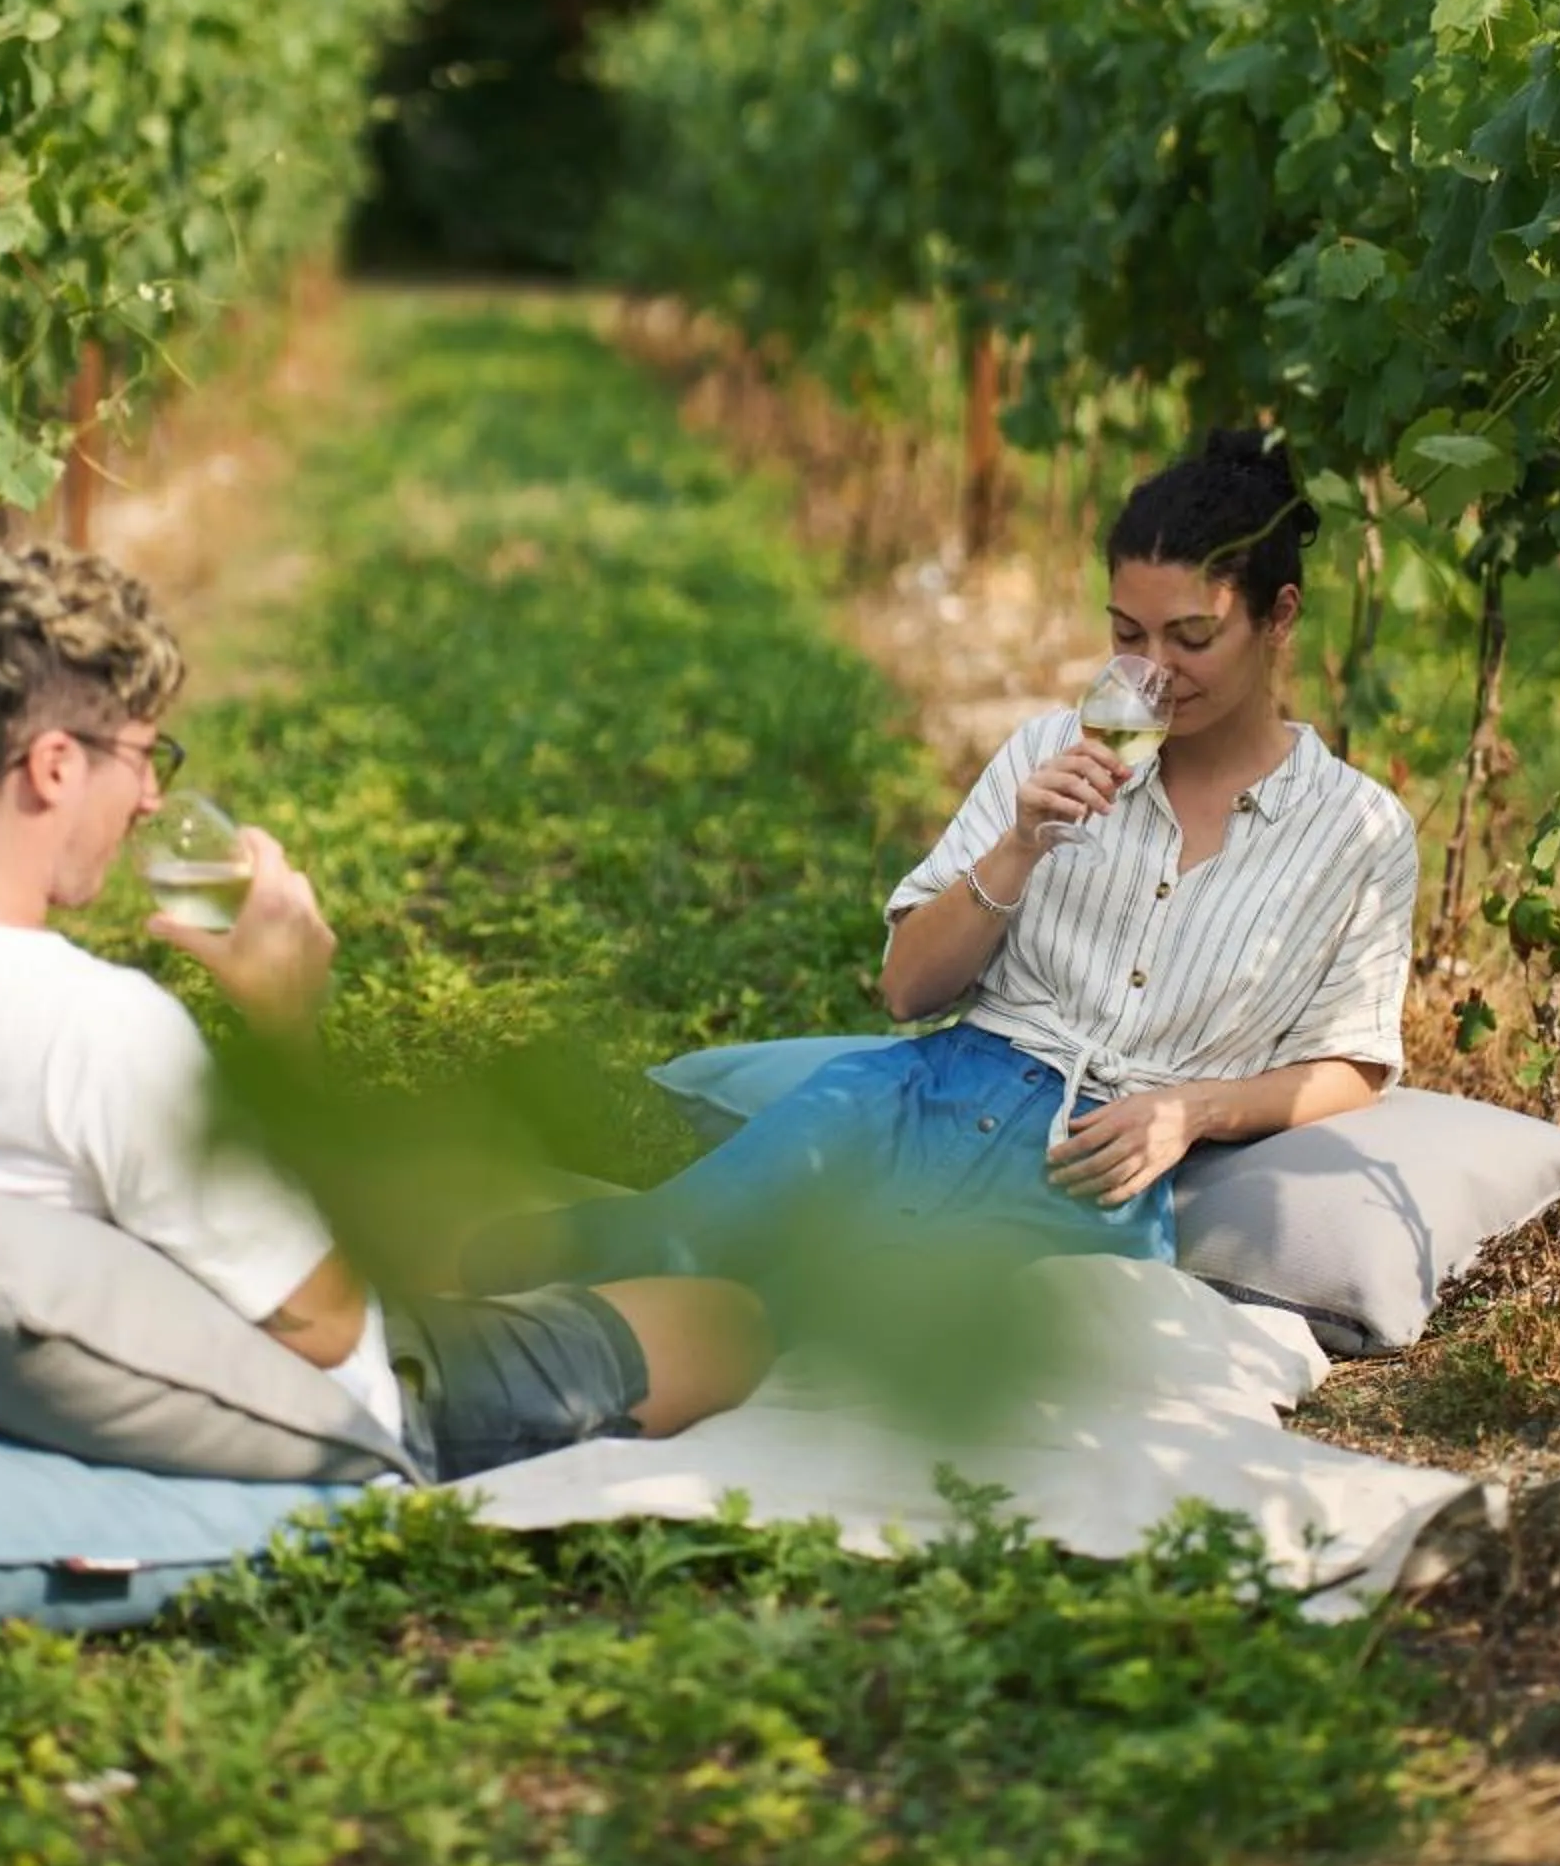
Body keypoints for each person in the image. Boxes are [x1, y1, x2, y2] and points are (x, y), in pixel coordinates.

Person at [0, 541, 768, 1481]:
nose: (146, 800)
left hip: (58, 1340)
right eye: (141, 757)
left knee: (478, 1236)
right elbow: (325, 1318)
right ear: (52, 765)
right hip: (338, 1398)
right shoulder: (100, 1031)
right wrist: (286, 1019)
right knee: (724, 1318)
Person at [461, 430, 1416, 1311]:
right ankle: (367, 1314)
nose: (1152, 671)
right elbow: (906, 989)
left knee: (849, 1331)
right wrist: (1018, 846)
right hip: (926, 1089)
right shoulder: (1052, 750)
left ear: (1279, 616)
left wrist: (1193, 1112)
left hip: (1093, 1168)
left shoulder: (1358, 832)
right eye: (1127, 634)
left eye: (1191, 638)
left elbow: (1357, 1063)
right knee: (650, 1246)